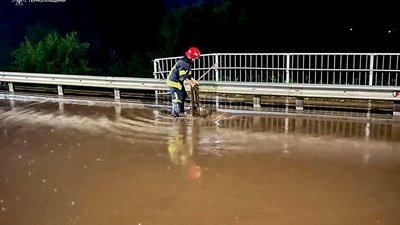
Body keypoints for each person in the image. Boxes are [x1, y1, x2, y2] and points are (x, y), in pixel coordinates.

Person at [166, 47, 200, 117]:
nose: (195, 60)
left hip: (178, 82)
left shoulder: (189, 62)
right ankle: (175, 115)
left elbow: (188, 74)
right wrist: (191, 83)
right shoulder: (183, 63)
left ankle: (181, 111)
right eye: (195, 58)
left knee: (183, 95)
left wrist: (194, 81)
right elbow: (183, 75)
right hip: (173, 82)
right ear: (191, 57)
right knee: (178, 98)